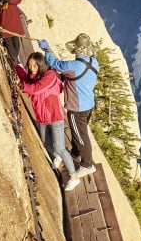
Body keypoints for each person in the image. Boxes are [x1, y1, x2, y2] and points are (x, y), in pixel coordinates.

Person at [15, 53, 80, 192]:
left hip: (55, 117)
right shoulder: (35, 76)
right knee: (47, 144)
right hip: (43, 117)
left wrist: (20, 84)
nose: (32, 68)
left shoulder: (49, 76)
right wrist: (16, 66)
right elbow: (28, 79)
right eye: (30, 66)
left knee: (60, 148)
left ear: (41, 64)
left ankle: (74, 177)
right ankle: (58, 156)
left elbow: (35, 89)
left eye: (35, 65)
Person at [39, 33, 100, 177]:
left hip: (77, 108)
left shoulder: (73, 66)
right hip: (89, 104)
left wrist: (47, 50)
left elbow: (56, 64)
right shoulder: (94, 62)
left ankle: (87, 165)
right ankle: (76, 153)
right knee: (77, 131)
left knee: (81, 136)